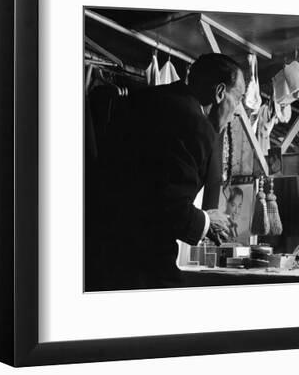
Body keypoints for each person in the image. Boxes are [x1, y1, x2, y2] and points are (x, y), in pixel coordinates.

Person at [85, 53, 246, 290]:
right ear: (220, 92)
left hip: (95, 253)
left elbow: (146, 186)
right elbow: (166, 205)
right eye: (239, 98)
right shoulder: (193, 123)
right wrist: (207, 221)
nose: (238, 110)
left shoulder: (150, 98)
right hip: (135, 263)